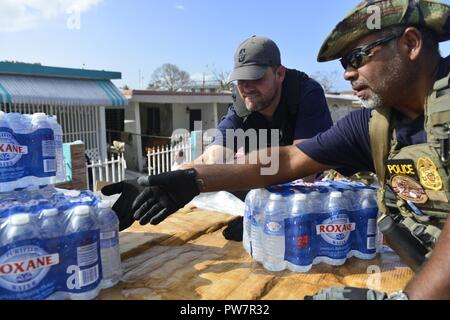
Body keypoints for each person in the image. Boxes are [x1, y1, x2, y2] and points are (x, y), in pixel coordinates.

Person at [102, 0, 450, 300]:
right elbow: (288, 159)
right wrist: (190, 179)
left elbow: (305, 168)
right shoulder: (373, 124)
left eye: (357, 57)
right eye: (344, 63)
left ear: (411, 43)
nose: (348, 74)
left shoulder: (306, 93)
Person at [189, 35, 333, 240]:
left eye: (255, 77)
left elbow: (305, 168)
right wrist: (174, 180)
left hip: (305, 193)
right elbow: (213, 157)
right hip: (263, 183)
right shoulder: (242, 102)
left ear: (279, 73)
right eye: (241, 80)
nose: (246, 87)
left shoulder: (306, 93)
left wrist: (264, 213)